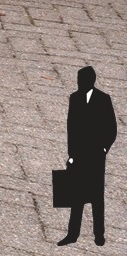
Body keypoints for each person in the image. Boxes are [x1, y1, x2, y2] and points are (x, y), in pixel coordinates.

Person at [64, 65, 117, 245]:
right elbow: (71, 128)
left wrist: (103, 149)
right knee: (76, 197)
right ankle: (72, 234)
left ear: (91, 81)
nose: (79, 84)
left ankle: (99, 235)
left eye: (82, 80)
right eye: (78, 81)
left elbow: (111, 128)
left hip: (95, 157)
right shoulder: (74, 98)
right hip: (79, 156)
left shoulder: (103, 99)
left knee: (96, 198)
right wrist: (71, 154)